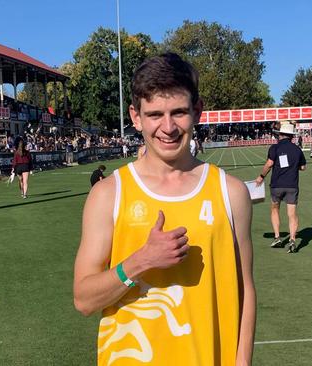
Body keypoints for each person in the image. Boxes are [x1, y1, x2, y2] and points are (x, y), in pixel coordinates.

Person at [73, 52, 255, 365]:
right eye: (155, 114)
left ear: (197, 111)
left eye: (179, 112)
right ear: (136, 116)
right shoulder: (108, 194)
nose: (167, 127)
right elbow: (84, 299)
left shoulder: (231, 192)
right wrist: (140, 261)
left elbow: (245, 290)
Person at [255, 121, 306, 253]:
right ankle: (293, 239)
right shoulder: (297, 149)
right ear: (291, 136)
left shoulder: (274, 148)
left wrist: (261, 176)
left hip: (277, 184)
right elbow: (303, 167)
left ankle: (277, 237)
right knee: (292, 214)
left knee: (275, 209)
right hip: (292, 185)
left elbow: (269, 164)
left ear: (280, 135)